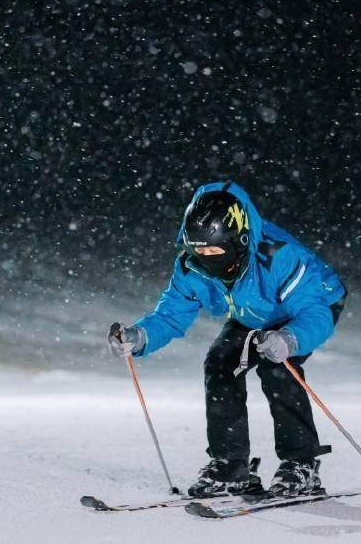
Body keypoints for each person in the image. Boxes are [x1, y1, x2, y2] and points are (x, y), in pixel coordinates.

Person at [107, 180, 347, 498]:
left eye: (215, 251)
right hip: (250, 312)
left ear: (239, 240)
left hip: (309, 307)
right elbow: (170, 315)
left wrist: (289, 339)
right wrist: (140, 336)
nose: (208, 259)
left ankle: (300, 465)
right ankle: (230, 465)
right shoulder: (191, 265)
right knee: (220, 364)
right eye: (200, 251)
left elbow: (315, 313)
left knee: (277, 368)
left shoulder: (279, 257)